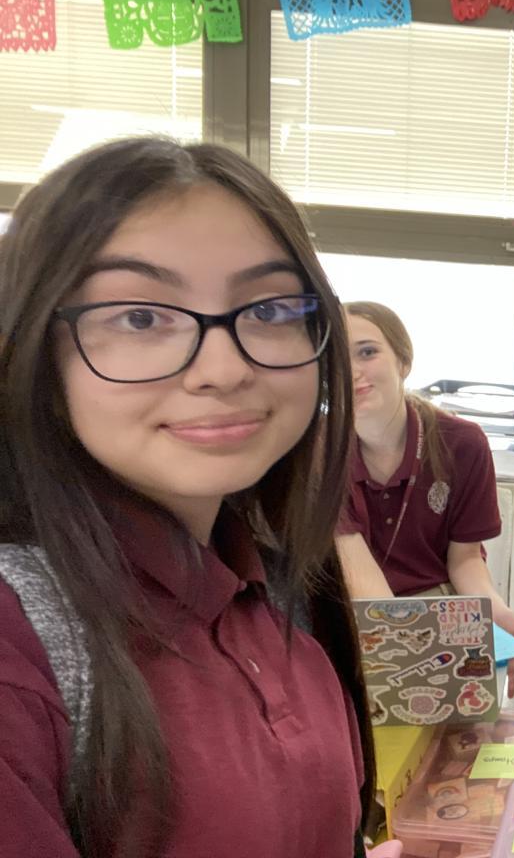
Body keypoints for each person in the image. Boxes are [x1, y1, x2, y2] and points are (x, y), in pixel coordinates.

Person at [0, 138, 374, 857]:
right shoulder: (21, 643)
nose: (224, 369)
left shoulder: (274, 585)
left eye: (271, 308)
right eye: (141, 318)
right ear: (35, 352)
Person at [337, 301, 514, 653]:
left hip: (439, 604)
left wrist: (493, 610)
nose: (351, 371)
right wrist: (402, 651)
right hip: (353, 609)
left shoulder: (462, 443)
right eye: (336, 357)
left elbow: (465, 558)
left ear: (404, 361)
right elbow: (358, 575)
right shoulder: (320, 451)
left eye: (367, 352)